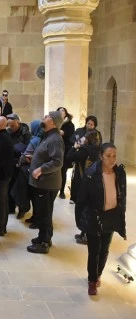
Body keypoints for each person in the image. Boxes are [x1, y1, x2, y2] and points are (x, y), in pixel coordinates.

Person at [76, 143, 126, 295]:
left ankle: (98, 275)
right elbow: (82, 199)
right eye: (108, 156)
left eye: (114, 156)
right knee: (94, 250)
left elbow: (122, 195)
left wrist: (120, 214)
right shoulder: (91, 174)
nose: (112, 160)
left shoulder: (119, 173)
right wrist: (80, 220)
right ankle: (92, 280)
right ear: (101, 156)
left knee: (105, 249)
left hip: (111, 216)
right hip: (94, 216)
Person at [26, 111, 64, 254]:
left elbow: (57, 161)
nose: (44, 117)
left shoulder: (55, 139)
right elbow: (46, 154)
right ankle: (44, 237)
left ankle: (44, 242)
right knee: (43, 212)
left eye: (48, 116)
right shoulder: (48, 136)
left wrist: (40, 169)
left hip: (47, 183)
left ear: (53, 122)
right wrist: (35, 157)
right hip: (43, 183)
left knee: (45, 213)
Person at [66, 129, 101, 244]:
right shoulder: (98, 150)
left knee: (83, 208)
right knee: (89, 208)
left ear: (87, 139)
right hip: (95, 184)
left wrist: (75, 147)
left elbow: (69, 157)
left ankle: (86, 234)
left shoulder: (84, 151)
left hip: (84, 184)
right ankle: (84, 233)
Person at [0, 116, 14, 236]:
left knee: (0, 201)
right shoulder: (3, 136)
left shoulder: (2, 137)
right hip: (5, 173)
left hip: (2, 175)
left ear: (1, 125)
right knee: (3, 200)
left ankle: (0, 227)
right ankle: (2, 226)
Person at [58, 107, 75, 199]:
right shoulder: (55, 122)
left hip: (65, 150)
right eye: (59, 111)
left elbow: (71, 137)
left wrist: (63, 133)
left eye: (63, 110)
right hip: (56, 149)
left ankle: (61, 191)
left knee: (63, 170)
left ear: (66, 113)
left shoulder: (69, 124)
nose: (61, 112)